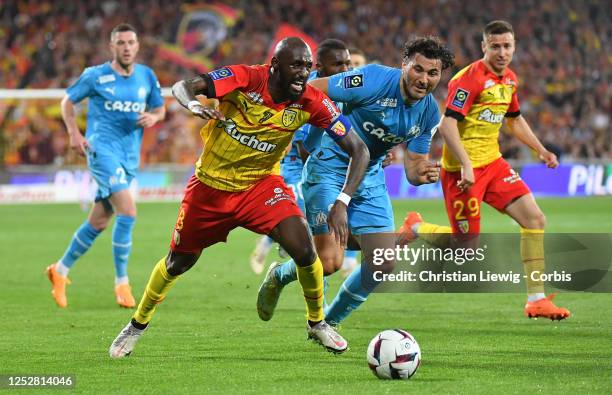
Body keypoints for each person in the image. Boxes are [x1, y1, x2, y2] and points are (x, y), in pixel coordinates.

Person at [109, 37, 370, 358]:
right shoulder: (244, 78)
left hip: (260, 186)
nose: (303, 74)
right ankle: (137, 324)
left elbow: (358, 148)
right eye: (296, 66)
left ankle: (317, 323)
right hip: (210, 187)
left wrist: (342, 200)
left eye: (307, 67)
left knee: (304, 249)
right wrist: (193, 104)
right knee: (179, 262)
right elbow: (184, 86)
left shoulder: (311, 100)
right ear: (275, 67)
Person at [257, 36, 454, 326]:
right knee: (329, 263)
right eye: (418, 69)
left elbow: (413, 169)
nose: (423, 79)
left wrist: (422, 174)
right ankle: (280, 275)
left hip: (370, 175)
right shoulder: (373, 79)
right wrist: (309, 136)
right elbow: (313, 89)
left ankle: (328, 325)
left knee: (382, 262)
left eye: (432, 73)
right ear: (404, 65)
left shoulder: (428, 113)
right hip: (329, 166)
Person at [400, 21, 570, 320]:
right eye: (495, 46)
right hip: (461, 172)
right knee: (465, 250)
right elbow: (447, 123)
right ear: (484, 47)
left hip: (493, 165)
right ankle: (415, 226)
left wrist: (540, 149)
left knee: (534, 218)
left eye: (507, 46)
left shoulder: (509, 81)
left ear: (514, 46)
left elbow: (514, 119)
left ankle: (536, 300)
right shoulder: (470, 79)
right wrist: (466, 164)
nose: (502, 52)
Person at [46, 23, 165, 309]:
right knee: (128, 211)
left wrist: (154, 118)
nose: (126, 47)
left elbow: (160, 108)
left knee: (98, 221)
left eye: (131, 42)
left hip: (128, 157)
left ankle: (59, 270)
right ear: (112, 47)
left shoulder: (146, 76)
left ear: (137, 46)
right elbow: (67, 102)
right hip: (101, 151)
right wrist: (74, 133)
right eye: (121, 43)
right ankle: (121, 282)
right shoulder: (96, 76)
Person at [249, 39, 354, 276]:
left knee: (334, 228)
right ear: (321, 67)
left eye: (350, 64)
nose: (347, 70)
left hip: (325, 166)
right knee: (304, 210)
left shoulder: (346, 90)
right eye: (339, 64)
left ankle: (284, 248)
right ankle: (276, 245)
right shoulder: (308, 92)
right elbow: (306, 149)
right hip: (297, 165)